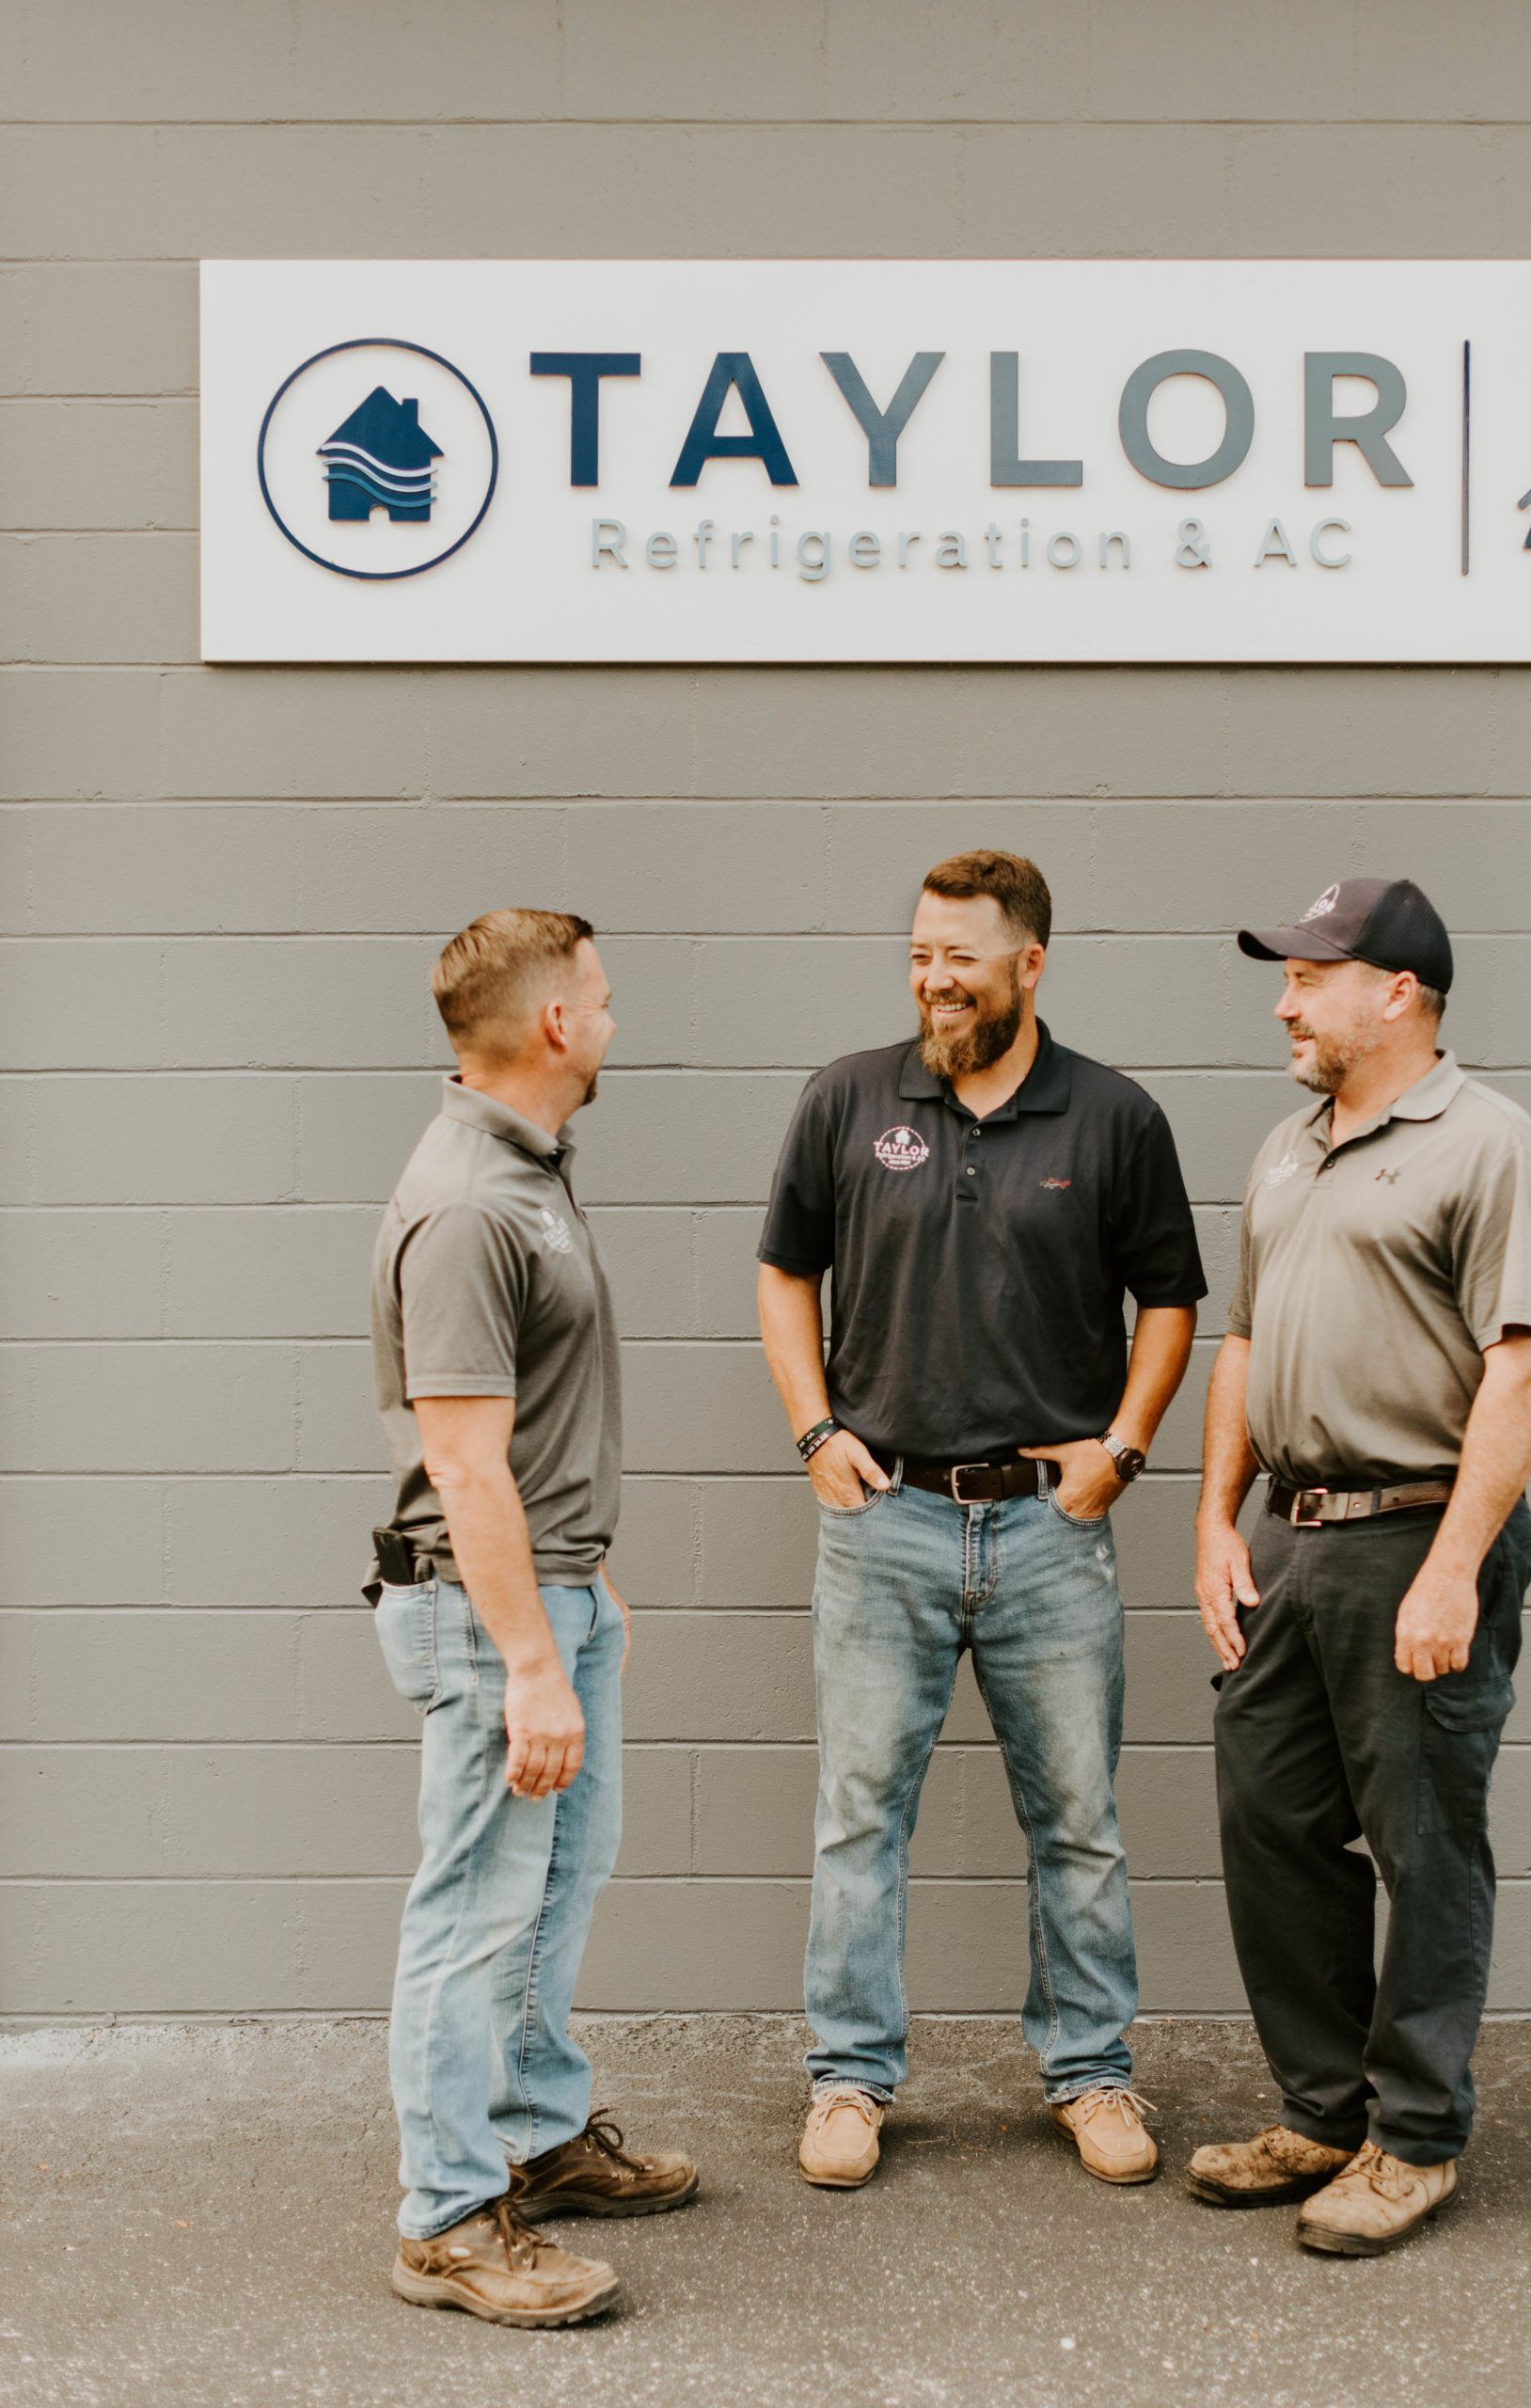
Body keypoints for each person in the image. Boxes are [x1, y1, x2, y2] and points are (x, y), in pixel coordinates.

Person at [757, 850, 1205, 2190]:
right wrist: (816, 1432)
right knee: (858, 1818)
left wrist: (1122, 1452)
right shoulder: (848, 1098)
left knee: (1078, 1818)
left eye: (959, 955)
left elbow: (1171, 1300)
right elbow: (785, 1274)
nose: (933, 978)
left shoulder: (1114, 1118)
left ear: (1031, 963)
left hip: (1048, 1534)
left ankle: (1092, 2075)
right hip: (883, 1518)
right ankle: (847, 2082)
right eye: (918, 954)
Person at [1187, 877, 1531, 2257]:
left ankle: (1413, 2138)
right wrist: (1215, 1522)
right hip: (1288, 1539)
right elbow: (1241, 1344)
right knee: (1272, 1825)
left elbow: (1522, 1367)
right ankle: (1322, 2108)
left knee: (1426, 1844)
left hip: (1417, 1534)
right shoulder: (1290, 1148)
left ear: (1394, 990)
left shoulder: (1487, 1144)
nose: (1285, 1002)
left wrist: (1457, 1566)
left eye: (1308, 976)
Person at [368, 909, 697, 2327]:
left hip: (555, 1589)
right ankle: (448, 2213)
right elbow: (462, 1458)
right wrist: (527, 1659)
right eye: (604, 1001)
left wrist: (582, 1584)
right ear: (554, 1025)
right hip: (488, 1615)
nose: (615, 1020)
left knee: (561, 1880)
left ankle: (535, 2132)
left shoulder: (535, 1170)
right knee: (473, 1907)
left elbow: (537, 1426)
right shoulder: (468, 1204)